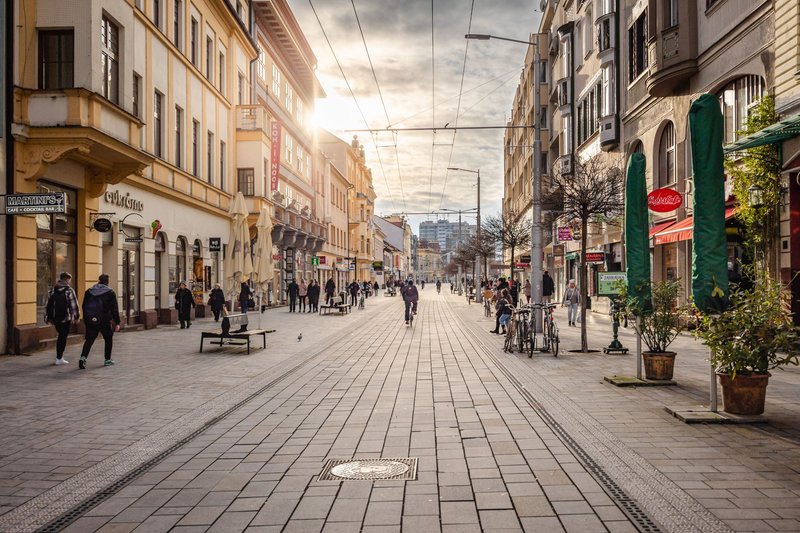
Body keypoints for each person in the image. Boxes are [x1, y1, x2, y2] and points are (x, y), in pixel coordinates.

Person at [78, 274, 120, 369]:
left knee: (89, 340)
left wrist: (86, 319)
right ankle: (107, 359)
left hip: (91, 320)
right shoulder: (110, 292)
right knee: (108, 339)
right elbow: (114, 309)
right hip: (104, 320)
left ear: (99, 281)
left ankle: (83, 358)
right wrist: (117, 322)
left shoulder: (89, 292)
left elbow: (84, 306)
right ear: (107, 282)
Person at [45, 271, 80, 365]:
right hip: (66, 317)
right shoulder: (69, 290)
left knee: (61, 336)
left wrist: (47, 317)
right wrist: (76, 317)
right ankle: (59, 358)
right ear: (67, 279)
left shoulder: (52, 290)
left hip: (55, 318)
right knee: (62, 337)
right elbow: (74, 305)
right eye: (69, 280)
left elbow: (48, 305)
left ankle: (59, 357)